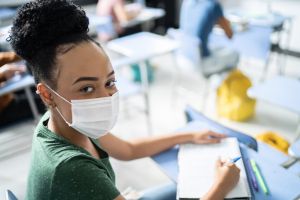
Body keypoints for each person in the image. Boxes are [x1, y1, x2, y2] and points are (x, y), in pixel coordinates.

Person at [9, 1, 240, 199]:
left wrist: (189, 135)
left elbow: (127, 150)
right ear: (48, 94)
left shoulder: (66, 120)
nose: (105, 97)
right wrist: (221, 186)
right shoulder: (71, 167)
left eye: (109, 83)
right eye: (87, 88)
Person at [180, 0, 239, 76]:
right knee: (235, 54)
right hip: (201, 61)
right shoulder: (214, 5)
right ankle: (222, 85)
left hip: (183, 56)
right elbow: (230, 35)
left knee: (217, 48)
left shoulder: (187, 2)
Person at [0, 52, 45, 128]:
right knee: (43, 103)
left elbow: (6, 58)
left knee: (40, 89)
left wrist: (26, 51)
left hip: (8, 96)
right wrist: (2, 73)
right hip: (3, 109)